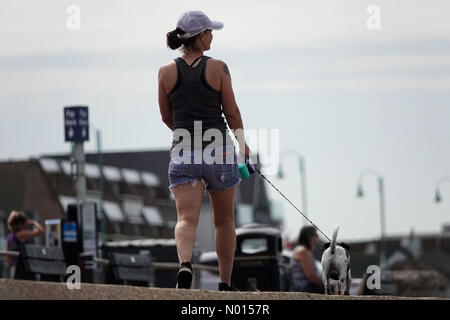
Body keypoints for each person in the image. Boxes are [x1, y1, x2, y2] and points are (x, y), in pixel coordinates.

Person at [159, 11, 251, 291]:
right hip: (219, 151)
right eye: (210, 31)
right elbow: (231, 112)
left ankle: (185, 264)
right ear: (200, 36)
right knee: (224, 220)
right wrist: (242, 143)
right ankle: (224, 283)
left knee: (186, 219)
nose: (212, 36)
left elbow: (166, 116)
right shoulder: (219, 68)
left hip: (184, 151)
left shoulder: (165, 72)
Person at [6, 211, 44, 278]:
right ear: (21, 223)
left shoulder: (10, 236)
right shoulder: (21, 234)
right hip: (22, 268)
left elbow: (8, 256)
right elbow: (40, 230)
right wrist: (33, 222)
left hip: (14, 268)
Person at [289, 226, 325, 293]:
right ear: (309, 236)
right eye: (316, 235)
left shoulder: (306, 251)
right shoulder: (302, 251)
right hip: (303, 287)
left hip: (308, 286)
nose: (317, 238)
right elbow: (311, 276)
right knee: (333, 287)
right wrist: (327, 282)